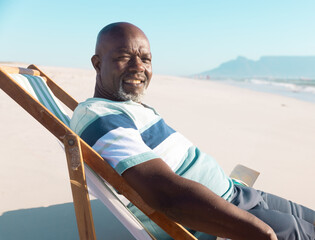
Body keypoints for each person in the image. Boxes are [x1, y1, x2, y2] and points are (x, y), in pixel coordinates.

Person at [70, 22, 315, 240]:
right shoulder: (101, 118)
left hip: (236, 193)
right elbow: (166, 195)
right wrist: (258, 230)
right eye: (124, 57)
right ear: (97, 63)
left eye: (145, 59)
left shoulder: (124, 108)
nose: (138, 67)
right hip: (221, 218)